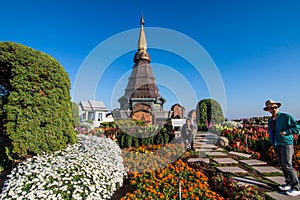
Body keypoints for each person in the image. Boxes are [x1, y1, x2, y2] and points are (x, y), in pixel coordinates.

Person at [263, 99, 300, 196]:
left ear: (277, 107)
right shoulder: (270, 120)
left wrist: (287, 132)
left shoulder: (286, 117)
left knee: (287, 165)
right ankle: (288, 183)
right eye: (271, 108)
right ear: (268, 110)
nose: (273, 109)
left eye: (275, 107)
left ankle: (296, 187)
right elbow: (271, 131)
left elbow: (297, 128)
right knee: (282, 164)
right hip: (276, 143)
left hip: (286, 143)